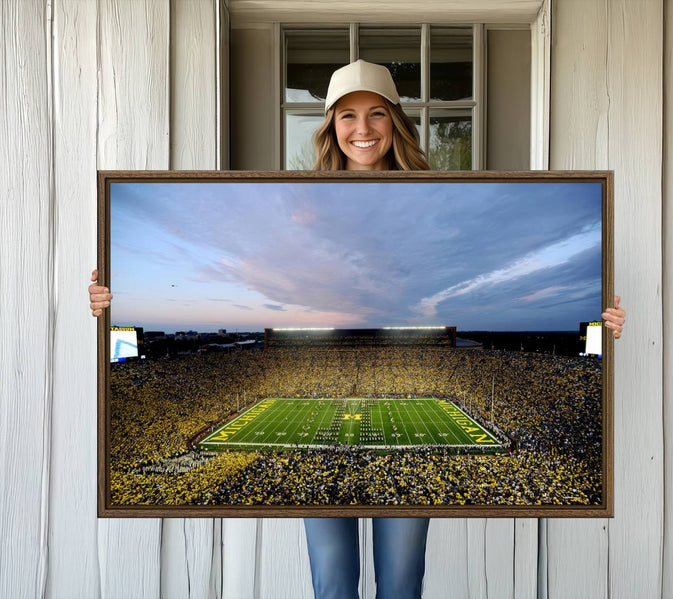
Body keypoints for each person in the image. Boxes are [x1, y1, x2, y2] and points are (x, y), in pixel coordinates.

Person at [88, 60, 626, 599]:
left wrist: (604, 321)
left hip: (404, 344)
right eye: (348, 115)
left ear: (395, 121)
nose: (362, 129)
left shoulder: (437, 197)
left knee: (401, 581)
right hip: (327, 355)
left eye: (376, 114)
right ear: (330, 126)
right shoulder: (303, 201)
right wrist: (112, 298)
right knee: (332, 581)